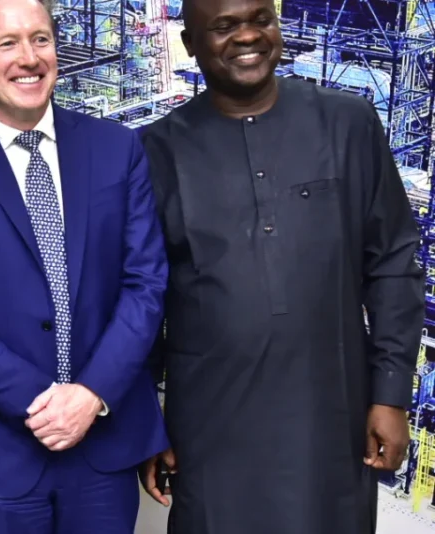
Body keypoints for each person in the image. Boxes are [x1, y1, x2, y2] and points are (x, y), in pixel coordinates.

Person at [138, 0, 421, 532]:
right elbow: (141, 301)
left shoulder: (348, 125)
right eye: (223, 27)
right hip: (210, 430)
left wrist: (390, 394)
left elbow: (392, 264)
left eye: (260, 20)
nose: (247, 36)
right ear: (190, 44)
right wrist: (144, 422)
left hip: (329, 421)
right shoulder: (156, 151)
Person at [0, 0, 170, 531]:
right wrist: (44, 403)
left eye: (40, 39)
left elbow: (145, 284)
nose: (29, 58)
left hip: (103, 444)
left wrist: (90, 396)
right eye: (7, 43)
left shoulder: (118, 150)